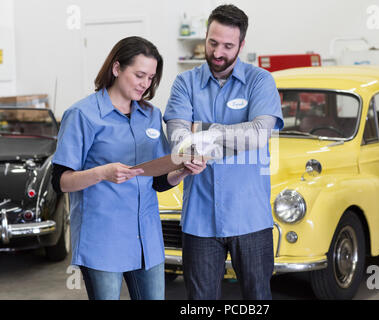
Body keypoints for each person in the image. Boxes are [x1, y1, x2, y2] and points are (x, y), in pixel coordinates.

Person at [51, 36, 205, 300]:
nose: (145, 84)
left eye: (151, 78)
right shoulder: (82, 115)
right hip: (103, 240)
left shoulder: (152, 115)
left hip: (147, 239)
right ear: (116, 68)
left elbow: (156, 180)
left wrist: (181, 170)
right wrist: (102, 172)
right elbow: (61, 181)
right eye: (139, 75)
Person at [164, 5, 284, 300]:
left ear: (242, 45)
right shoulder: (185, 83)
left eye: (228, 46)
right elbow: (178, 137)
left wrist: (203, 131)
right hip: (200, 219)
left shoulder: (260, 81)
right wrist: (219, 136)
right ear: (206, 37)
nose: (218, 52)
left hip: (250, 218)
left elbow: (258, 135)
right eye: (212, 42)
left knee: (258, 299)